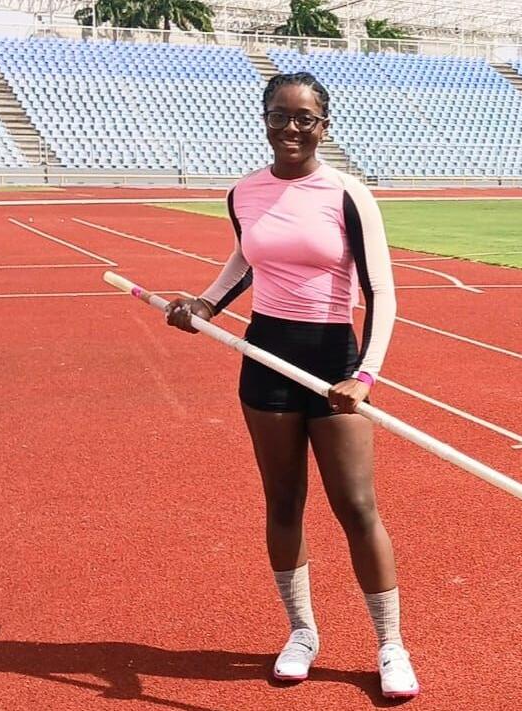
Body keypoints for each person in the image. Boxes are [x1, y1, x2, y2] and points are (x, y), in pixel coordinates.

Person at [164, 72, 419, 699]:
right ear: (265, 120)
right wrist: (205, 305)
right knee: (283, 503)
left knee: (356, 505)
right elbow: (247, 258)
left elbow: (381, 292)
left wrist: (364, 375)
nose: (291, 128)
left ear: (323, 126)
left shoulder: (348, 194)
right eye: (279, 115)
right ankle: (302, 632)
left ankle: (390, 643)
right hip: (265, 357)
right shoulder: (244, 193)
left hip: (334, 361)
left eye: (304, 118)